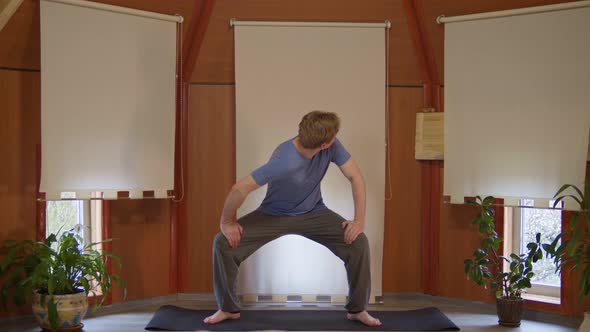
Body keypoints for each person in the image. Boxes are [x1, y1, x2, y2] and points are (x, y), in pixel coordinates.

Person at [204, 111, 381, 326]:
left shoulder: (332, 146)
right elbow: (239, 188)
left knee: (358, 243)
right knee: (223, 243)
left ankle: (357, 309)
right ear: (325, 144)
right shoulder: (284, 159)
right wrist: (227, 221)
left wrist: (358, 221)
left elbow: (355, 177)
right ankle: (228, 308)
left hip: (314, 213)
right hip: (273, 215)